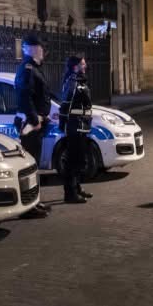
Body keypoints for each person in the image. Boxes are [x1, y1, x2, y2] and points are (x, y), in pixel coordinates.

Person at [12, 35, 52, 218]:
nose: (43, 52)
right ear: (33, 49)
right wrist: (35, 120)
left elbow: (40, 96)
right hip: (30, 125)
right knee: (29, 167)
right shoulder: (28, 69)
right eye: (41, 48)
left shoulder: (34, 69)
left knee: (34, 166)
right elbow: (24, 96)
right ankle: (28, 207)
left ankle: (34, 201)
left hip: (36, 123)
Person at [58, 55, 94, 204]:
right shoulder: (73, 83)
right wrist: (64, 124)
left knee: (79, 160)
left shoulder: (79, 81)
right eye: (83, 64)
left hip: (81, 125)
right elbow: (65, 105)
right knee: (73, 161)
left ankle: (77, 188)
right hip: (75, 126)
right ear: (75, 66)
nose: (85, 66)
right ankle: (70, 193)